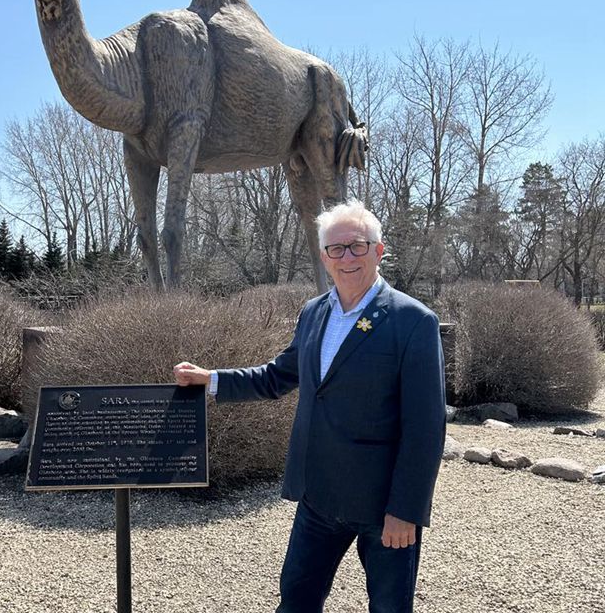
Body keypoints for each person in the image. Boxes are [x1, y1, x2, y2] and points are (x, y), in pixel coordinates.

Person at [174, 200, 445, 613]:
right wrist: (211, 379)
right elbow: (276, 376)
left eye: (357, 245)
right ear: (323, 257)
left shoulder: (413, 321)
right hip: (318, 497)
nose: (347, 257)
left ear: (379, 249)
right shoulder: (314, 313)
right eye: (336, 249)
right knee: (296, 600)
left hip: (381, 504)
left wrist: (405, 510)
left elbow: (425, 428)